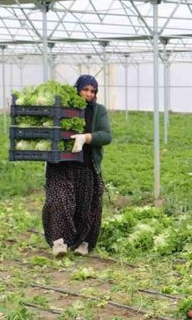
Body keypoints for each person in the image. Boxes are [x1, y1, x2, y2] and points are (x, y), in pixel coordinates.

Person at [42, 74, 112, 257]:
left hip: (86, 166)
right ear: (77, 89)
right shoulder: (62, 108)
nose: (89, 94)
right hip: (61, 165)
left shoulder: (99, 111)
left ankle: (83, 243)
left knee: (86, 207)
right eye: (85, 89)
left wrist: (86, 137)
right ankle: (59, 242)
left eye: (92, 91)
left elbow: (106, 135)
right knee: (58, 201)